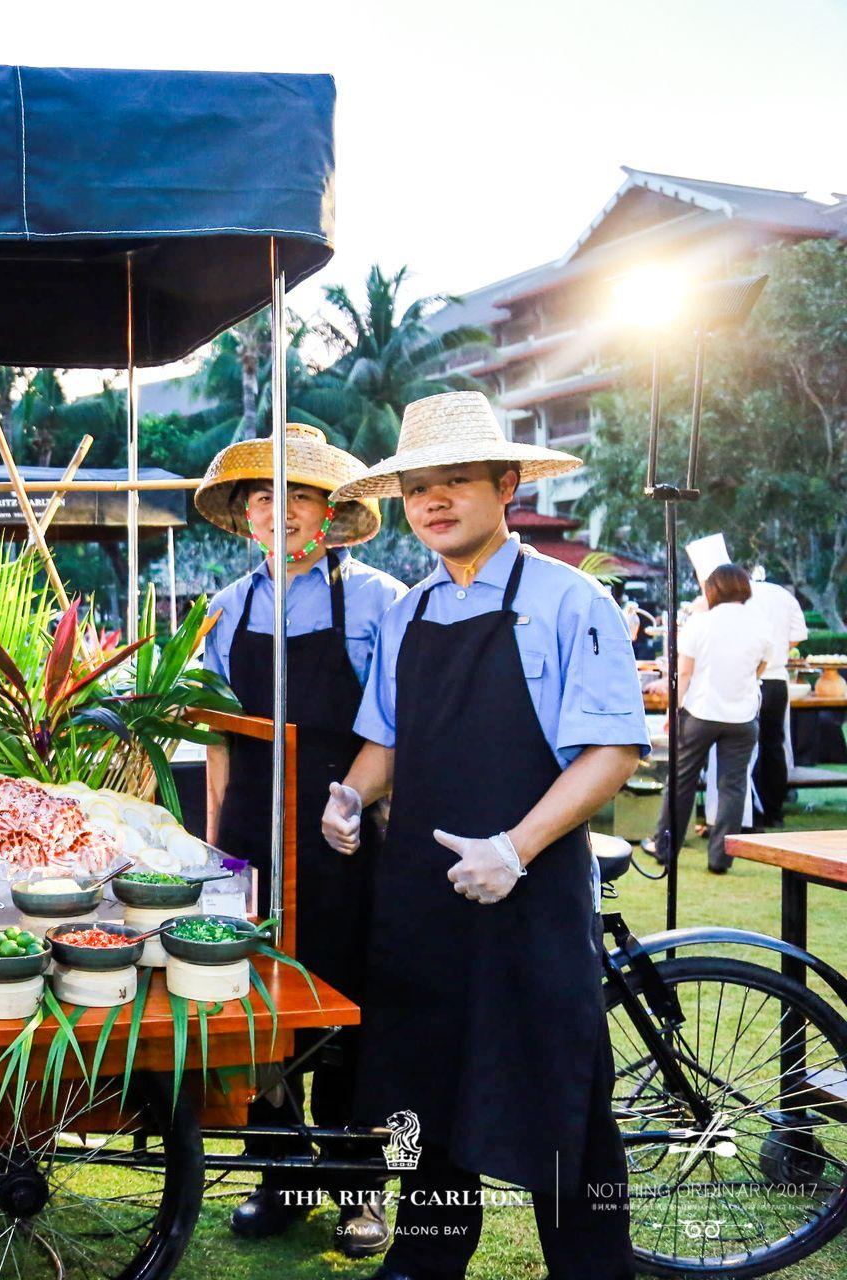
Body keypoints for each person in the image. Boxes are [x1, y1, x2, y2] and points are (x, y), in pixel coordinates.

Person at [324, 392, 648, 1280]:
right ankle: (424, 1262)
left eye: (455, 481)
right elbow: (385, 740)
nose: (433, 501)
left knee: (561, 1100)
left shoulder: (569, 600)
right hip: (424, 904)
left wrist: (515, 849)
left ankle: (592, 1268)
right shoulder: (407, 611)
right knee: (421, 1096)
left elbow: (613, 746)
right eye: (419, 487)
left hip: (532, 896)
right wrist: (349, 796)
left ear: (506, 484)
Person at [193, 423, 405, 1258]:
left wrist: (356, 803)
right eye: (261, 498)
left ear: (331, 514)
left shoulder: (380, 600)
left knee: (345, 1005)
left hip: (340, 832)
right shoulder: (226, 606)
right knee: (253, 1012)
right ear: (244, 515)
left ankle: (360, 1189)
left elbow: (392, 726)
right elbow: (215, 739)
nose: (276, 513)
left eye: (297, 498)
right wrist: (215, 847)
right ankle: (281, 1174)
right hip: (249, 829)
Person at [649, 565, 773, 873]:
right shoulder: (760, 624)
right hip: (743, 715)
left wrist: (672, 711)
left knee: (681, 782)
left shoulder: (700, 623)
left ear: (711, 590)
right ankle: (720, 859)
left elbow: (685, 673)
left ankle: (665, 849)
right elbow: (761, 667)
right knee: (733, 786)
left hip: (701, 712)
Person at [745, 569, 807, 828]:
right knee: (773, 744)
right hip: (778, 680)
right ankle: (774, 810)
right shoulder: (783, 595)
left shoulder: (737, 594)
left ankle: (751, 812)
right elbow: (797, 637)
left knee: (744, 746)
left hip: (747, 678)